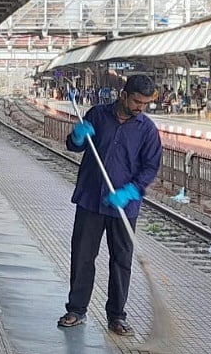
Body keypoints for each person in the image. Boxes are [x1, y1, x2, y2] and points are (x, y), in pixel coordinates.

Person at [57, 75, 162, 337]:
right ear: (123, 95)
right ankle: (77, 310)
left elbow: (151, 167)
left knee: (121, 261)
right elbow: (73, 146)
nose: (140, 107)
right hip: (91, 198)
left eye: (145, 103)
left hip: (123, 207)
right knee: (82, 256)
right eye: (137, 101)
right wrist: (79, 136)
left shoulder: (147, 130)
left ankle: (117, 316)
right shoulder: (97, 115)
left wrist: (132, 190)